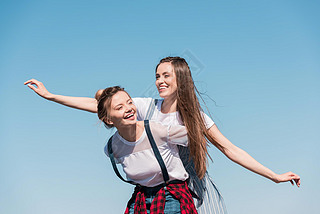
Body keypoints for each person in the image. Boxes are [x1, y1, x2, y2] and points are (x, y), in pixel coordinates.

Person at [25, 56, 301, 214]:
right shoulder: (147, 106)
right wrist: (51, 96)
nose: (160, 81)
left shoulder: (196, 120)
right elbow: (101, 105)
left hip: (176, 189)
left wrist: (274, 176)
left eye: (166, 76)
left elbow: (231, 149)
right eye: (157, 76)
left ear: (181, 79)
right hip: (146, 192)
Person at [95, 86, 197, 213]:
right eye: (119, 107)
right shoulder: (112, 148)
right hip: (141, 198)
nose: (128, 109)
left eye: (130, 102)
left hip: (170, 195)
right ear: (108, 120)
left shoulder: (155, 130)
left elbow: (194, 136)